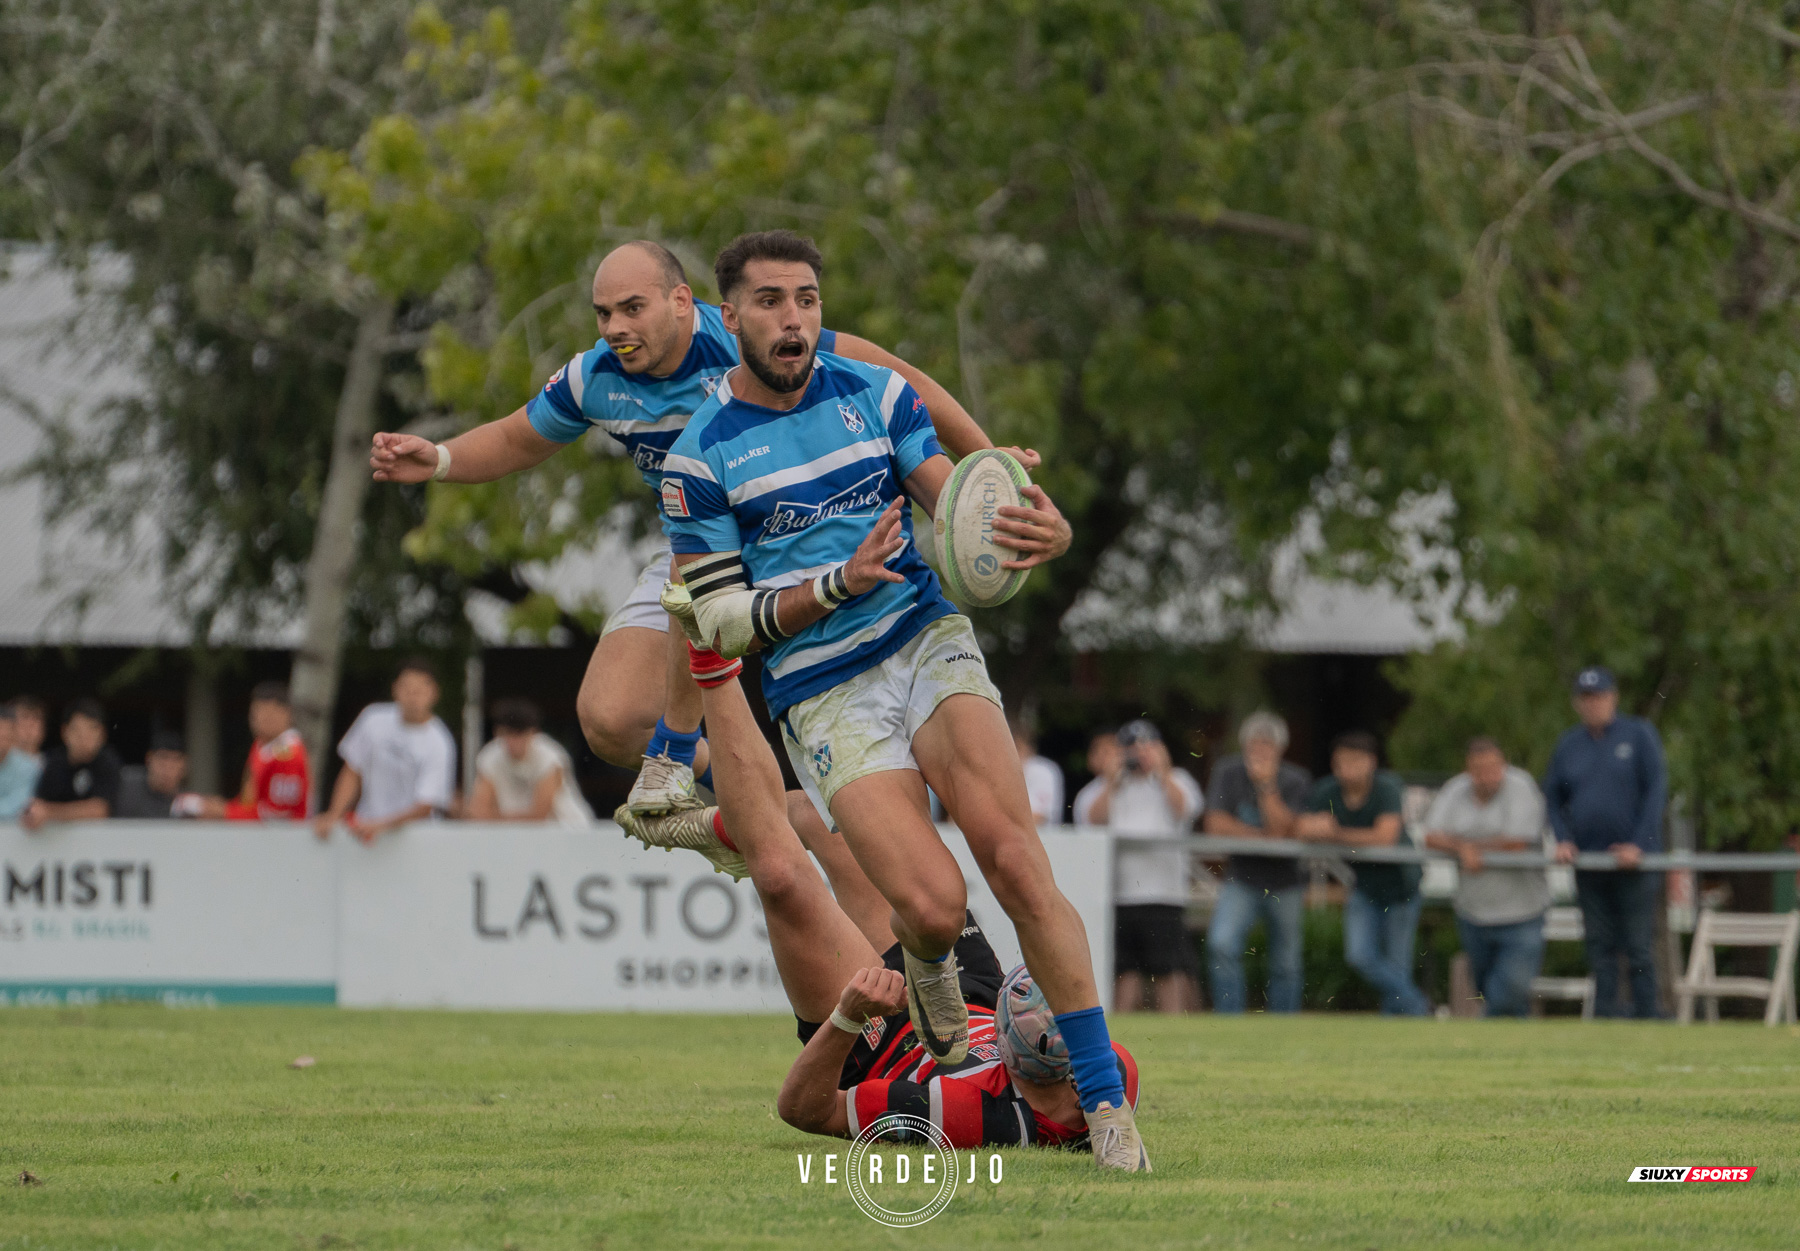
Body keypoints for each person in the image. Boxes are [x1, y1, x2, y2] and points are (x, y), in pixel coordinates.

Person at [645, 230, 1146, 1168]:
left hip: (924, 640)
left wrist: (1033, 526)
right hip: (822, 691)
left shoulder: (876, 395)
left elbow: (957, 510)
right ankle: (928, 967)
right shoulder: (698, 460)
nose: (792, 319)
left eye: (806, 299)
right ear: (729, 319)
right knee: (929, 904)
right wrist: (836, 583)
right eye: (769, 302)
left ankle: (1110, 1109)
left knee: (1014, 857)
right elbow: (716, 622)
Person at [367, 241, 998, 821]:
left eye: (632, 308)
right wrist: (441, 460)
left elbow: (901, 383)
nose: (615, 327)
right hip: (696, 554)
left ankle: (675, 754)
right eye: (604, 313)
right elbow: (514, 438)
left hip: (788, 549)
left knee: (689, 570)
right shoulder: (596, 377)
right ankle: (760, 799)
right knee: (609, 721)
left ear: (680, 301)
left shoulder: (748, 337)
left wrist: (988, 466)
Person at [625, 622, 1141, 1157]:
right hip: (969, 997)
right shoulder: (1112, 1076)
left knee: (779, 872)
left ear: (1021, 1057)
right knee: (823, 825)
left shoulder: (966, 1115)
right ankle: (726, 822)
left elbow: (804, 1110)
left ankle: (706, 652)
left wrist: (849, 1014)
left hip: (880, 1035)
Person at [1543, 666, 1667, 1019]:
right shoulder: (1569, 745)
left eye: (1598, 697)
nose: (1593, 704)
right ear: (1577, 703)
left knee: (1639, 947)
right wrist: (1563, 839)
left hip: (1633, 864)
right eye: (1586, 698)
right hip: (1590, 863)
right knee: (1599, 945)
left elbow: (1656, 792)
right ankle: (1606, 1017)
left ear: (1613, 698)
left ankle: (1647, 1016)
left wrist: (1639, 844)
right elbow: (1553, 797)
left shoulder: (1639, 735)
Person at [1073, 721, 1203, 1015]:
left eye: (1147, 747)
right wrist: (1110, 781)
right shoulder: (1106, 787)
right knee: (1124, 971)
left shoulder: (1178, 780)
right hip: (1118, 894)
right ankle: (1122, 1030)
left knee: (1168, 971)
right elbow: (1090, 820)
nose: (1139, 755)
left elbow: (1185, 809)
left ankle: (1174, 1028)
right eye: (1132, 748)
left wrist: (1163, 772)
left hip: (1164, 894)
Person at [1297, 730, 1429, 1016]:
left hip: (1401, 887)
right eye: (1342, 761)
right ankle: (1418, 1007)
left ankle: (1403, 1022)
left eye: (1355, 761)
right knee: (1359, 956)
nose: (1348, 768)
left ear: (1371, 762)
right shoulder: (1326, 791)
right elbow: (1302, 827)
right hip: (1364, 886)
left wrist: (1335, 834)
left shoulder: (1387, 788)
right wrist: (1314, 826)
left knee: (1398, 964)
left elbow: (1385, 837)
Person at [1422, 738, 1550, 1017]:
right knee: (1495, 994)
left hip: (1522, 912)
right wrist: (1462, 849)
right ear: (1468, 769)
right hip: (1473, 912)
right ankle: (1515, 1052)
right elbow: (1430, 837)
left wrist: (1470, 848)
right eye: (1479, 770)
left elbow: (1518, 842)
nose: (1487, 776)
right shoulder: (1455, 790)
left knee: (1508, 992)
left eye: (1494, 768)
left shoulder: (1521, 786)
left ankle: (1482, 1035)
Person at [1203, 711, 1313, 1014]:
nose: (1260, 753)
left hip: (1287, 882)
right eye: (1254, 746)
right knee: (1222, 944)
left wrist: (1266, 786)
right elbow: (1214, 824)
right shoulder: (1227, 771)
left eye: (1267, 746)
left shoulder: (1295, 779)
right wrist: (1260, 835)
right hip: (1241, 876)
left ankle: (1283, 1025)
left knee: (1286, 962)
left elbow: (1284, 829)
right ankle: (1230, 1020)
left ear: (1280, 749)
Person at [313, 659, 457, 844]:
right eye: (407, 689)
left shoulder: (439, 742)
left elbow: (426, 805)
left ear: (434, 693)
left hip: (415, 839)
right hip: (365, 833)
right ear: (395, 689)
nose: (413, 697)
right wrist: (334, 814)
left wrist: (380, 825)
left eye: (420, 690)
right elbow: (352, 770)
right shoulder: (373, 719)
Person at [469, 698, 595, 826]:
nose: (512, 742)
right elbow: (479, 812)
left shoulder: (551, 756)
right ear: (497, 732)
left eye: (519, 734)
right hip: (514, 835)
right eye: (507, 734)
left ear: (533, 733)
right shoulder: (489, 756)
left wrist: (496, 817)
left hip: (568, 830)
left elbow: (539, 816)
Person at [200, 682, 310, 821]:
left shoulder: (288, 755)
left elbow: (278, 815)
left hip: (283, 839)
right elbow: (250, 800)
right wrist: (224, 807)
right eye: (258, 711)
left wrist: (226, 812)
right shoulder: (262, 746)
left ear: (287, 714)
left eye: (270, 713)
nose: (262, 718)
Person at [21, 699, 122, 830]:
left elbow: (99, 810)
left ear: (102, 734)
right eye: (78, 731)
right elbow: (39, 803)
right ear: (65, 732)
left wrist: (49, 812)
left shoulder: (108, 761)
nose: (84, 738)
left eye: (91, 729)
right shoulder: (54, 762)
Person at [114, 730, 193, 819]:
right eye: (163, 758)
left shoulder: (188, 805)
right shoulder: (124, 785)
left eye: (176, 760)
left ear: (184, 765)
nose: (168, 767)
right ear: (149, 759)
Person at [1011, 716, 1065, 825]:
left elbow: (1036, 817)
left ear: (1029, 748)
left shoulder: (1041, 770)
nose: (1010, 753)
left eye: (1016, 746)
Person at [0, 702, 43, 820]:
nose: (2, 733)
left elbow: (20, 804)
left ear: (14, 732)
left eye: (7, 729)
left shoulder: (29, 767)